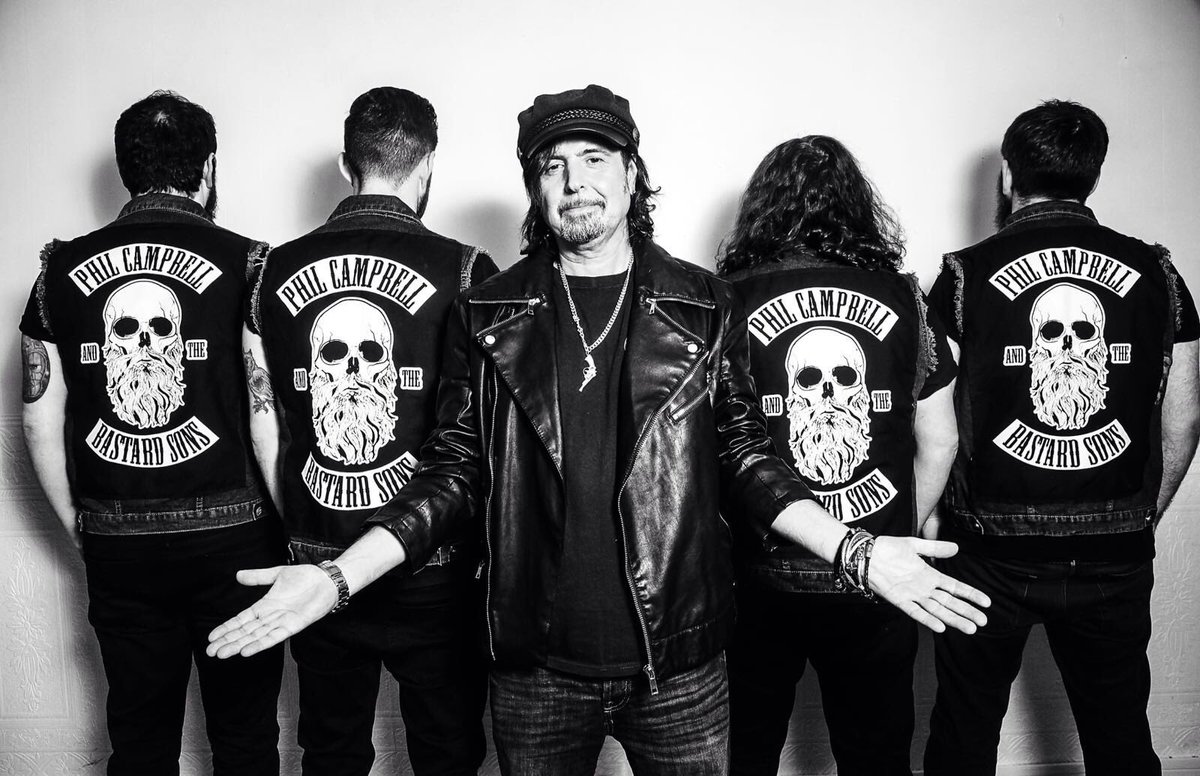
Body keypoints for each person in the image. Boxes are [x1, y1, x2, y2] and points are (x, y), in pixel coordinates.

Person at [208, 84, 989, 776]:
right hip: (534, 671)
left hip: (678, 665)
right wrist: (337, 575)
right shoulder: (487, 313)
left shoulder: (704, 305)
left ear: (631, 173)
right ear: (535, 188)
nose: (575, 180)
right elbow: (451, 474)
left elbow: (747, 456)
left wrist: (857, 550)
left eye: (594, 158)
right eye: (552, 166)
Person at [922, 100, 1200, 776]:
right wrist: (1143, 514)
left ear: (1008, 175)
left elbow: (934, 423)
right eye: (1055, 334)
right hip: (1114, 553)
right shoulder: (1161, 275)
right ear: (1091, 177)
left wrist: (933, 522)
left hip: (988, 555)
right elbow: (1186, 415)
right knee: (1119, 740)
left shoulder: (962, 275)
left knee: (963, 738)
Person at [19, 91, 284, 775]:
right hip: (236, 540)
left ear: (126, 168)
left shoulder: (58, 269)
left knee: (139, 743)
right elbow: (265, 416)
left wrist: (80, 525)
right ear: (209, 167)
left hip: (118, 544)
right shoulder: (250, 262)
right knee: (246, 739)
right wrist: (289, 528)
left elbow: (38, 413)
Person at [243, 86, 495, 775]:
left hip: (315, 563)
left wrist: (301, 529)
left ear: (345, 163)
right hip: (436, 569)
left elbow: (264, 421)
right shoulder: (467, 270)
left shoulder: (269, 271)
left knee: (331, 752)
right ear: (428, 164)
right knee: (448, 753)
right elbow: (484, 439)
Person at [717, 135, 960, 776]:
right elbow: (942, 439)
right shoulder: (907, 300)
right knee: (876, 758)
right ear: (857, 206)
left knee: (744, 754)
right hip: (875, 579)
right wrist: (895, 534)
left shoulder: (723, 298)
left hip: (753, 578)